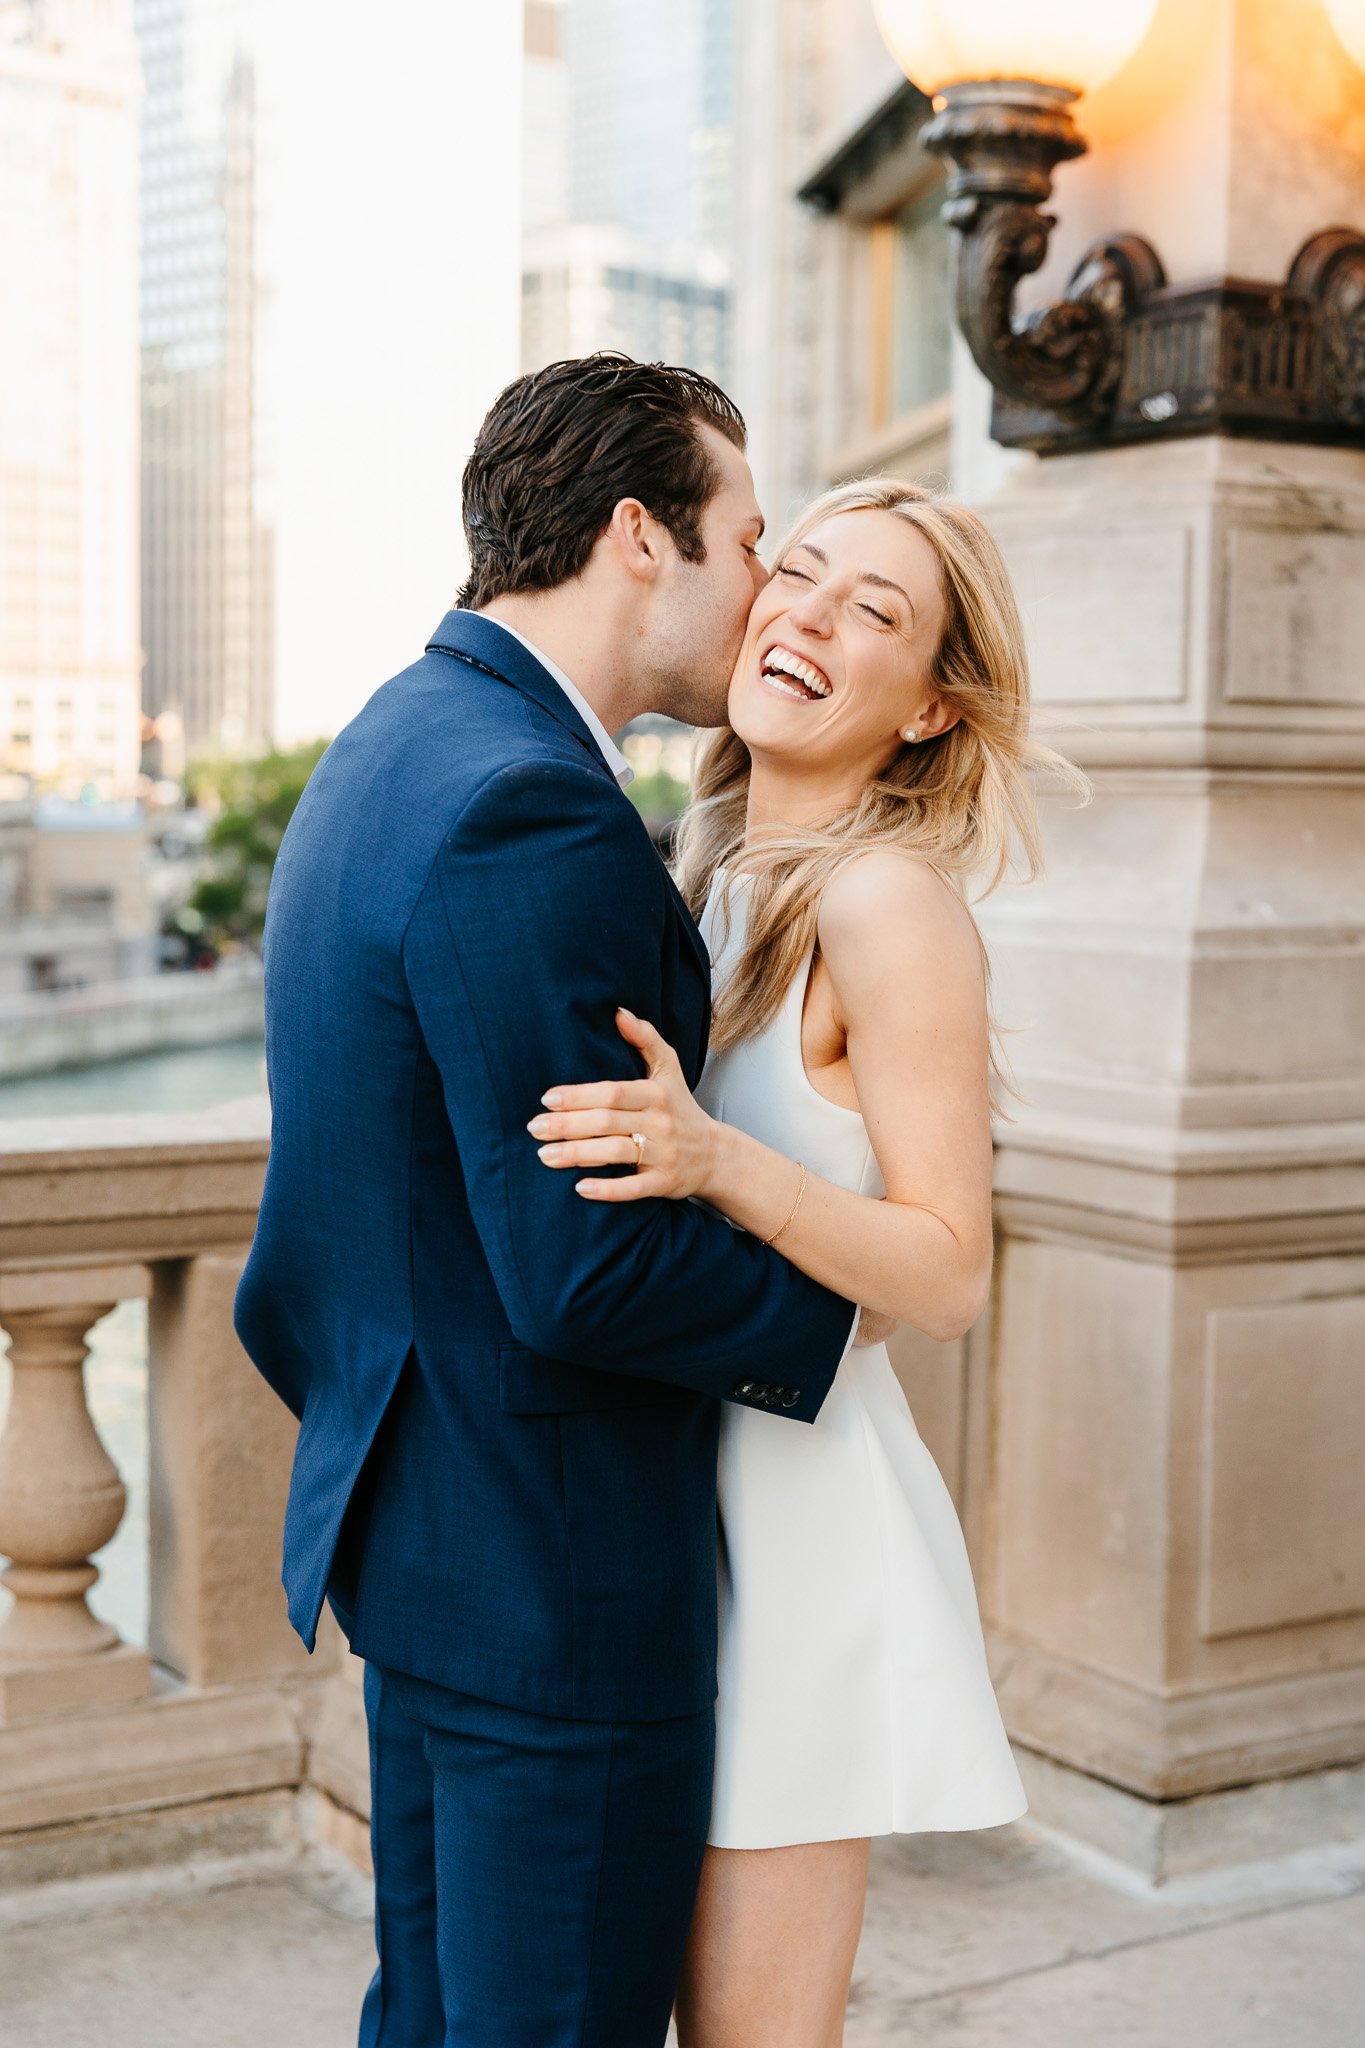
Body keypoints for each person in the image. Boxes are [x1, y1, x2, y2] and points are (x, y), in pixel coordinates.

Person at [231, 353, 863, 2048]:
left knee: (439, 2018)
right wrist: (850, 1299)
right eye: (745, 539)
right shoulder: (532, 809)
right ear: (640, 537)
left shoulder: (397, 737)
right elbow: (586, 1271)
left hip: (430, 1529)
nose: (761, 589)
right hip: (551, 1577)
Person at [531, 477, 1078, 2047]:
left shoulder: (886, 902)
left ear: (928, 709)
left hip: (797, 1540)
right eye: (806, 573)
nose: (811, 618)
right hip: (667, 1506)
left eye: (876, 614)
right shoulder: (695, 880)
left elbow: (948, 1270)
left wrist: (717, 1159)